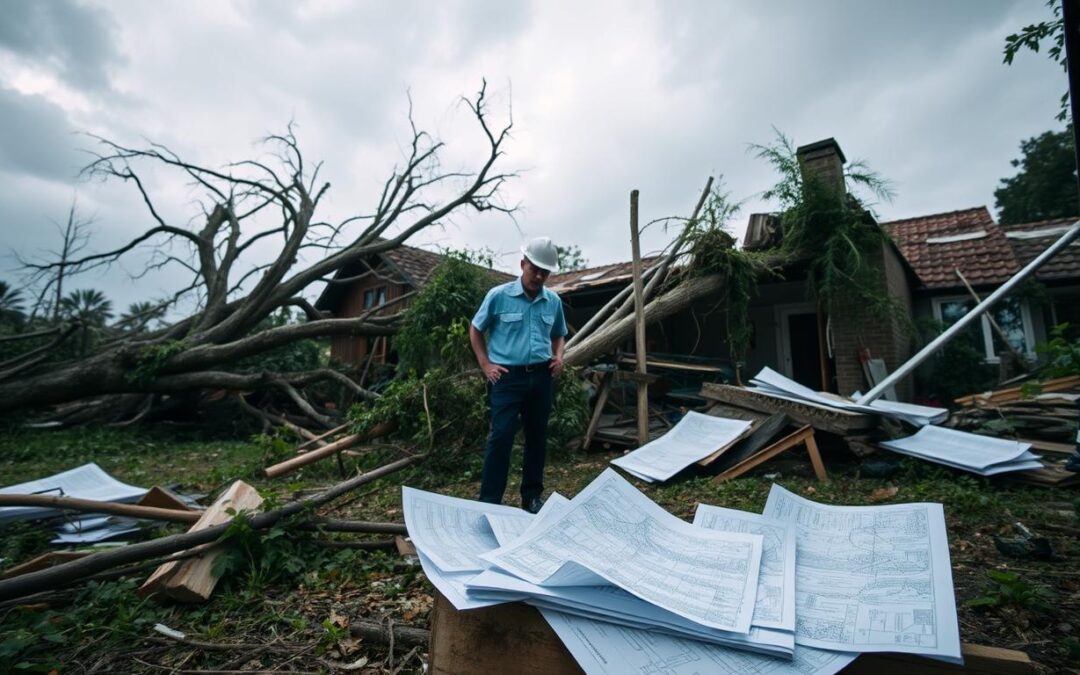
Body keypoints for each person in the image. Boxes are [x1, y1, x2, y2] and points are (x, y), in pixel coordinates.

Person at [469, 237, 567, 513]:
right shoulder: (498, 296)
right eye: (534, 269)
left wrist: (559, 356)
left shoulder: (553, 301)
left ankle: (532, 497)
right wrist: (485, 365)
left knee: (537, 436)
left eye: (544, 272)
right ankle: (490, 502)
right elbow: (476, 329)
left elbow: (559, 334)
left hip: (541, 377)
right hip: (506, 378)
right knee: (501, 436)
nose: (538, 276)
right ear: (523, 264)